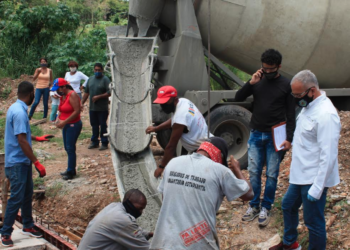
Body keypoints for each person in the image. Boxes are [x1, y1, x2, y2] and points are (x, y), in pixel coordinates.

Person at [269, 70, 341, 250]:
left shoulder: (326, 114)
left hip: (314, 177)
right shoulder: (308, 106)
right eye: (293, 94)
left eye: (298, 94)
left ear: (312, 90)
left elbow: (329, 154)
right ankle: (290, 244)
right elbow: (306, 136)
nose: (295, 98)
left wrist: (318, 187)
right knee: (287, 206)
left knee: (313, 221)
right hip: (301, 174)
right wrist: (290, 141)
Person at [150, 137, 253, 250]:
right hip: (197, 244)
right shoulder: (220, 171)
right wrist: (237, 169)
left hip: (165, 241)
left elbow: (165, 199)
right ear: (220, 157)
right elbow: (249, 194)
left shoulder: (173, 163)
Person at [235, 49, 295, 227]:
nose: (267, 72)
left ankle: (266, 207)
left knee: (271, 173)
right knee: (253, 172)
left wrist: (289, 139)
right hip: (255, 134)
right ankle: (254, 205)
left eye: (271, 69)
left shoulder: (286, 85)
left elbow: (291, 115)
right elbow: (238, 97)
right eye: (265, 68)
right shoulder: (257, 81)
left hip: (275, 136)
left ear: (279, 67)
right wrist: (250, 83)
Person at [1, 81, 55, 247]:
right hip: (17, 162)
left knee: (26, 194)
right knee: (16, 197)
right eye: (34, 95)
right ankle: (5, 232)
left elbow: (22, 133)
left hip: (20, 161)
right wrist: (36, 162)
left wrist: (36, 137)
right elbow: (21, 140)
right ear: (32, 93)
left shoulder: (15, 108)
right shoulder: (20, 113)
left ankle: (27, 225)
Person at [145, 85, 212, 178]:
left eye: (165, 103)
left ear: (175, 99)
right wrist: (156, 128)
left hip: (204, 151)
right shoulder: (183, 102)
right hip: (205, 142)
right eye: (161, 103)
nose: (162, 106)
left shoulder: (181, 116)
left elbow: (171, 146)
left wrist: (161, 167)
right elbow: (173, 120)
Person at [78, 189, 153, 250]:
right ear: (128, 203)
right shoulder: (122, 220)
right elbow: (145, 247)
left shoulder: (113, 206)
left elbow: (133, 231)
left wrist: (149, 234)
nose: (141, 212)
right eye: (139, 208)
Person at [52, 78, 82, 180]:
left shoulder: (72, 95)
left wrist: (64, 122)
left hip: (73, 125)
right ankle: (71, 168)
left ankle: (71, 171)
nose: (57, 91)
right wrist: (57, 119)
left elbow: (77, 111)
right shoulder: (63, 96)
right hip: (66, 125)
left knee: (70, 148)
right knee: (67, 147)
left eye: (58, 88)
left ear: (64, 87)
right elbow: (60, 109)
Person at [82, 63, 111, 151]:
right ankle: (94, 142)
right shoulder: (90, 79)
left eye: (99, 70)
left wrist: (99, 96)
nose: (97, 72)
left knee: (103, 125)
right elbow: (86, 92)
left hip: (102, 108)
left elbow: (110, 92)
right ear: (93, 70)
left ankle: (104, 142)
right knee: (94, 125)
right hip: (92, 108)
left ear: (102, 70)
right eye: (96, 70)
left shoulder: (105, 80)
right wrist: (81, 103)